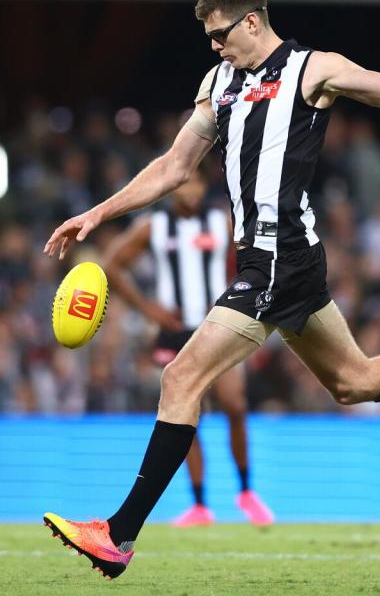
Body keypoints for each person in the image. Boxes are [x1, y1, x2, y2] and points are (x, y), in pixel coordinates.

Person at [42, 0, 380, 580]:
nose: (213, 46)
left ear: (251, 21)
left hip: (278, 256)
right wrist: (97, 214)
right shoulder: (219, 82)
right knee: (355, 381)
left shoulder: (314, 69)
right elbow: (175, 166)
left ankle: (118, 535)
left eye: (219, 34)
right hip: (277, 261)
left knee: (180, 376)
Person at [102, 169, 274, 527]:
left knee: (235, 404)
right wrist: (149, 309)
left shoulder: (221, 220)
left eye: (197, 183)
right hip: (174, 331)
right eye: (184, 183)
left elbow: (258, 257)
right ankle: (200, 504)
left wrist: (241, 297)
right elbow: (112, 265)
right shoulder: (153, 226)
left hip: (216, 327)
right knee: (185, 414)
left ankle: (246, 491)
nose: (191, 190)